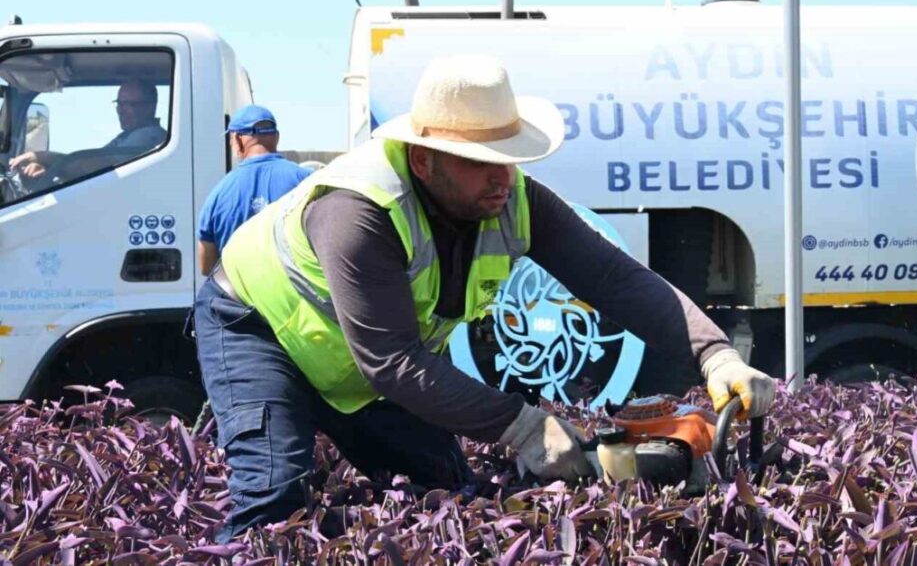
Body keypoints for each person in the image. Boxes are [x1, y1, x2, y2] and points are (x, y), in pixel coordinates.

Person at [192, 55, 776, 543]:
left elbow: (615, 279)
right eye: (481, 164)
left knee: (441, 483)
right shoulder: (357, 211)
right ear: (422, 159)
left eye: (510, 160)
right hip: (258, 332)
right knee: (273, 495)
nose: (504, 178)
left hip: (363, 363)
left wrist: (716, 355)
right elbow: (392, 362)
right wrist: (523, 426)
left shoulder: (513, 198)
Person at [196, 105, 312, 275]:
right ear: (277, 137)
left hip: (240, 298)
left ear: (237, 139)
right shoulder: (308, 181)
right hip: (299, 297)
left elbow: (207, 267)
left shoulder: (218, 194)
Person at [8, 80, 167, 179]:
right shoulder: (128, 136)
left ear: (150, 107)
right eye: (120, 103)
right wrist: (48, 171)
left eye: (130, 105)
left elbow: (96, 169)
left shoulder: (148, 137)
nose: (121, 110)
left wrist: (45, 158)